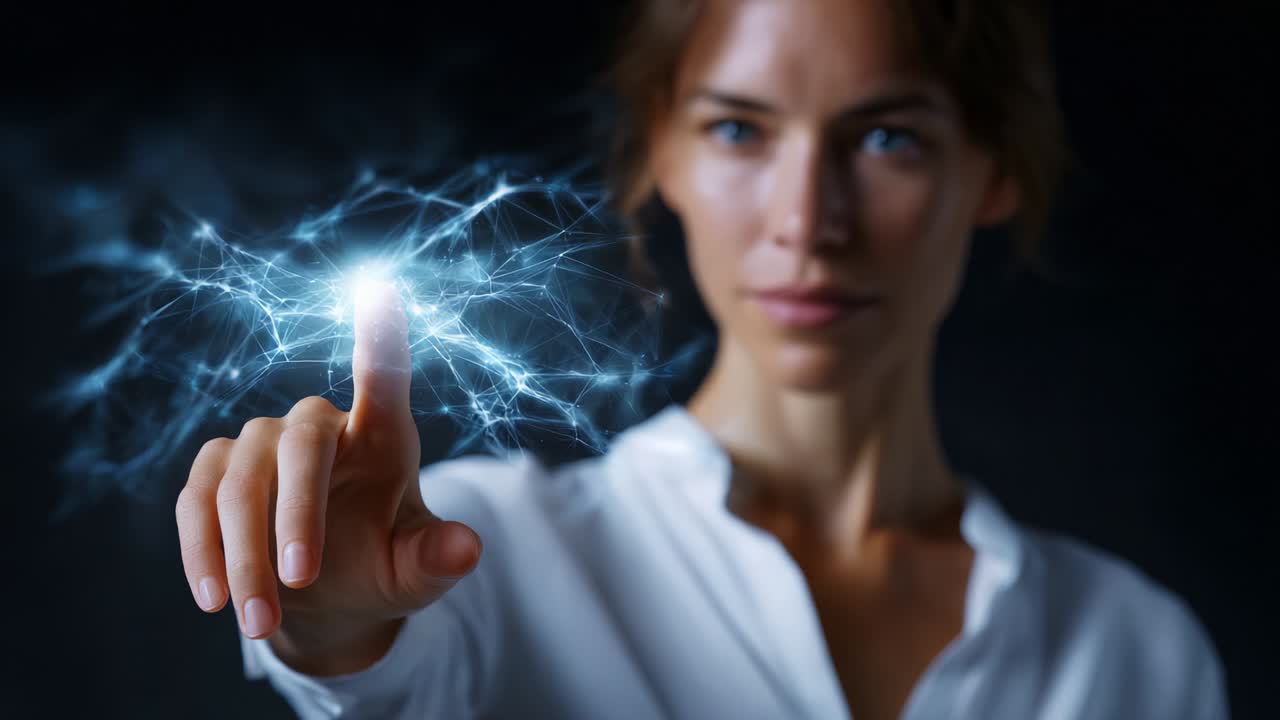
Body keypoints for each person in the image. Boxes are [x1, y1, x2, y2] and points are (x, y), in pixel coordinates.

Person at [174, 1, 1228, 717]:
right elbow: (391, 676)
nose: (806, 221)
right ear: (661, 155)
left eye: (886, 138)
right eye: (737, 131)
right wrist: (334, 621)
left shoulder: (1132, 650)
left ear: (993, 171)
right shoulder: (484, 549)